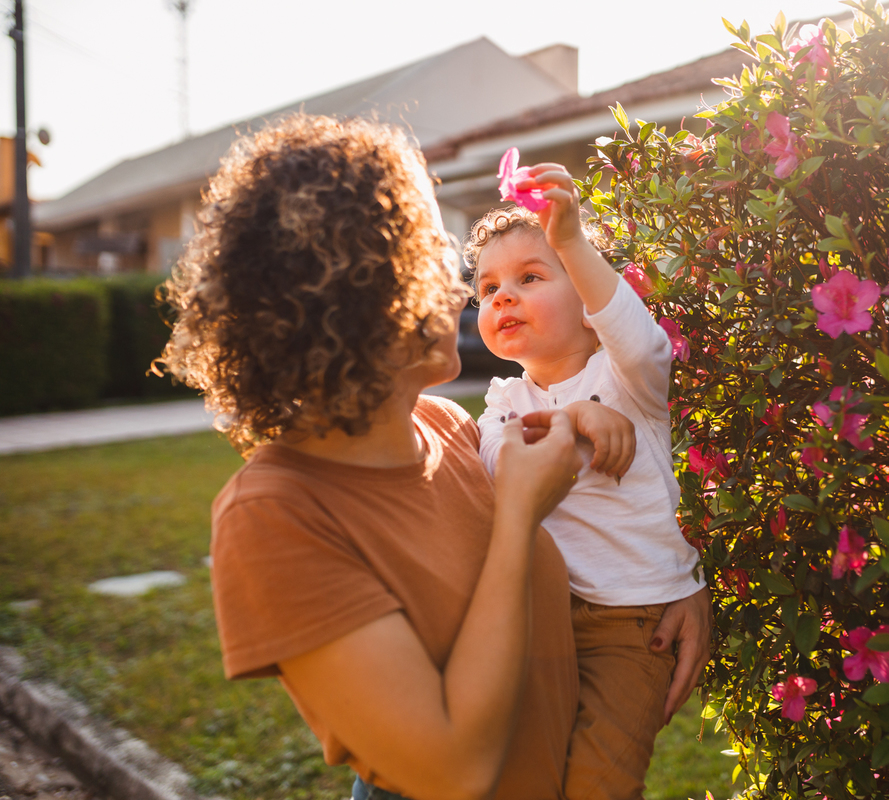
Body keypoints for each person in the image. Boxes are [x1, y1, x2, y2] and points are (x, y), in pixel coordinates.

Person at [158, 114, 709, 800]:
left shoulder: (452, 430)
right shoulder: (272, 516)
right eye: (428, 260)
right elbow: (452, 768)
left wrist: (672, 581)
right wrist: (518, 518)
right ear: (353, 297)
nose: (459, 293)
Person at [464, 163, 710, 800]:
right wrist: (572, 418)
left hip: (632, 623)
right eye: (488, 288)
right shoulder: (504, 401)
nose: (502, 297)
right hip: (540, 617)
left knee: (600, 784)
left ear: (586, 299)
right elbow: (500, 470)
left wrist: (570, 240)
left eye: (529, 277)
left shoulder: (629, 380)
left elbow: (642, 340)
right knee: (533, 781)